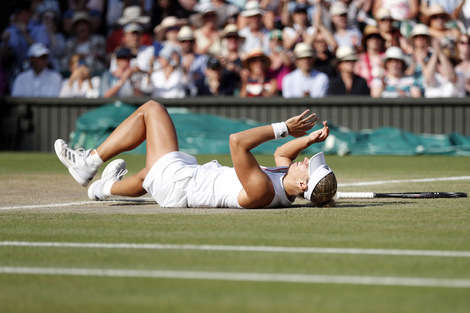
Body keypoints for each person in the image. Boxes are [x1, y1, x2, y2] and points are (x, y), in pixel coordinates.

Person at [54, 100, 337, 208]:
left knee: (152, 110)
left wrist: (284, 127)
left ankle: (87, 162)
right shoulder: (283, 184)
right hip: (183, 183)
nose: (307, 160)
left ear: (303, 185)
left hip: (181, 183)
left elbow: (237, 142)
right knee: (146, 176)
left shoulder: (263, 191)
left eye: (309, 166)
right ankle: (103, 189)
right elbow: (281, 155)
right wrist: (309, 139)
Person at [62, 11, 106, 75]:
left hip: (95, 74)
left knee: (90, 60)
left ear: (89, 26)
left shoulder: (98, 40)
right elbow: (66, 61)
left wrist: (84, 56)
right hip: (75, 75)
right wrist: (76, 58)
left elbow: (102, 56)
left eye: (84, 24)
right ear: (74, 28)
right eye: (78, 25)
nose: (81, 27)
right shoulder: (69, 43)